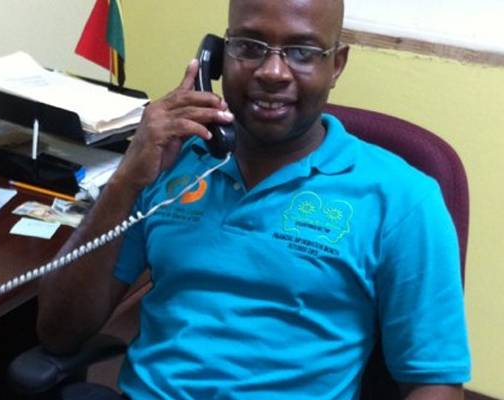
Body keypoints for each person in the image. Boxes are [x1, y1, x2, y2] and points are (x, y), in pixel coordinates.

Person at [37, 0, 471, 398]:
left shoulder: (403, 199)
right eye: (249, 46)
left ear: (336, 65)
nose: (273, 72)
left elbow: (433, 384)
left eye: (302, 51)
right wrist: (127, 178)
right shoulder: (173, 163)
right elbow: (59, 331)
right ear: (217, 57)